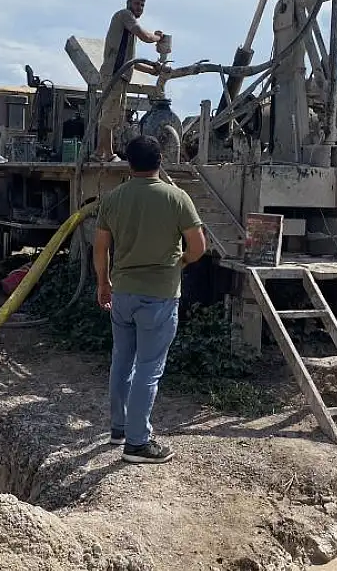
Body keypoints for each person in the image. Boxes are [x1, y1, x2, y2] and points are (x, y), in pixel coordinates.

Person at [93, 135, 206, 463]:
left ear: (129, 162)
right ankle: (138, 443)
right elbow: (198, 248)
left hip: (122, 294)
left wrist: (103, 283)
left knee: (122, 360)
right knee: (148, 368)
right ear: (161, 160)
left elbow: (100, 248)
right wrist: (180, 262)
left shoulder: (113, 198)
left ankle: (118, 429)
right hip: (159, 296)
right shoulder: (177, 198)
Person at [97, 0, 166, 162]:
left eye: (142, 5)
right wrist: (158, 37)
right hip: (113, 74)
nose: (139, 8)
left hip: (120, 75)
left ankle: (100, 152)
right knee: (109, 114)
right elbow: (144, 35)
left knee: (113, 115)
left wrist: (151, 70)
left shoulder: (128, 30)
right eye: (137, 3)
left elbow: (131, 62)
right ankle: (107, 154)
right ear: (128, 2)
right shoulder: (125, 16)